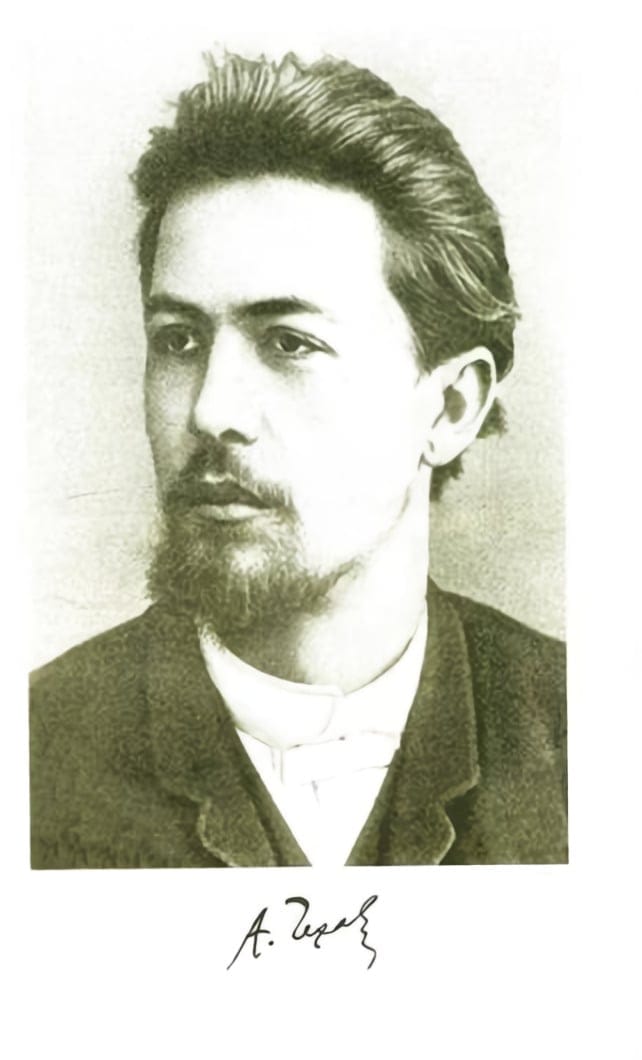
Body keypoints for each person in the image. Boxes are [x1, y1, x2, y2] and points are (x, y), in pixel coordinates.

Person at [29, 50, 567, 869]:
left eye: (289, 342)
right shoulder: (32, 750)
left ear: (451, 407)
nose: (210, 410)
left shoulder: (592, 743)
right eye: (178, 340)